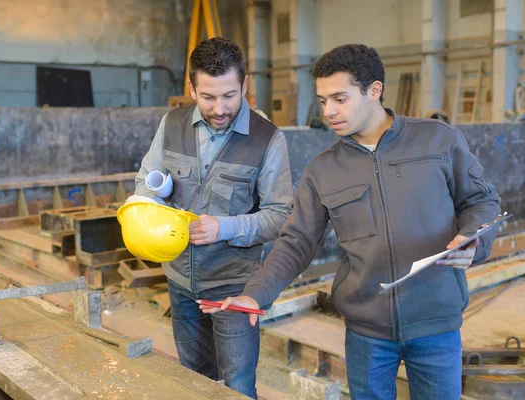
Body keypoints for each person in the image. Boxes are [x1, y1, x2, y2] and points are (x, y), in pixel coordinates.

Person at [200, 44, 501, 399]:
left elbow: (481, 201)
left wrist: (475, 241)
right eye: (323, 100)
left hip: (435, 325)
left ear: (374, 90)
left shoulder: (437, 139)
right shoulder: (323, 170)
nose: (329, 111)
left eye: (340, 98)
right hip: (366, 333)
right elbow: (296, 242)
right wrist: (256, 295)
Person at [133, 37, 293, 399]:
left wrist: (226, 227)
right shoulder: (171, 124)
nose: (219, 108)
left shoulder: (268, 139)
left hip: (234, 287)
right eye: (207, 97)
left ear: (245, 85)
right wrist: (149, 200)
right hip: (180, 281)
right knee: (193, 380)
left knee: (237, 386)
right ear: (191, 87)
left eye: (229, 96)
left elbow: (281, 215)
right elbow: (145, 179)